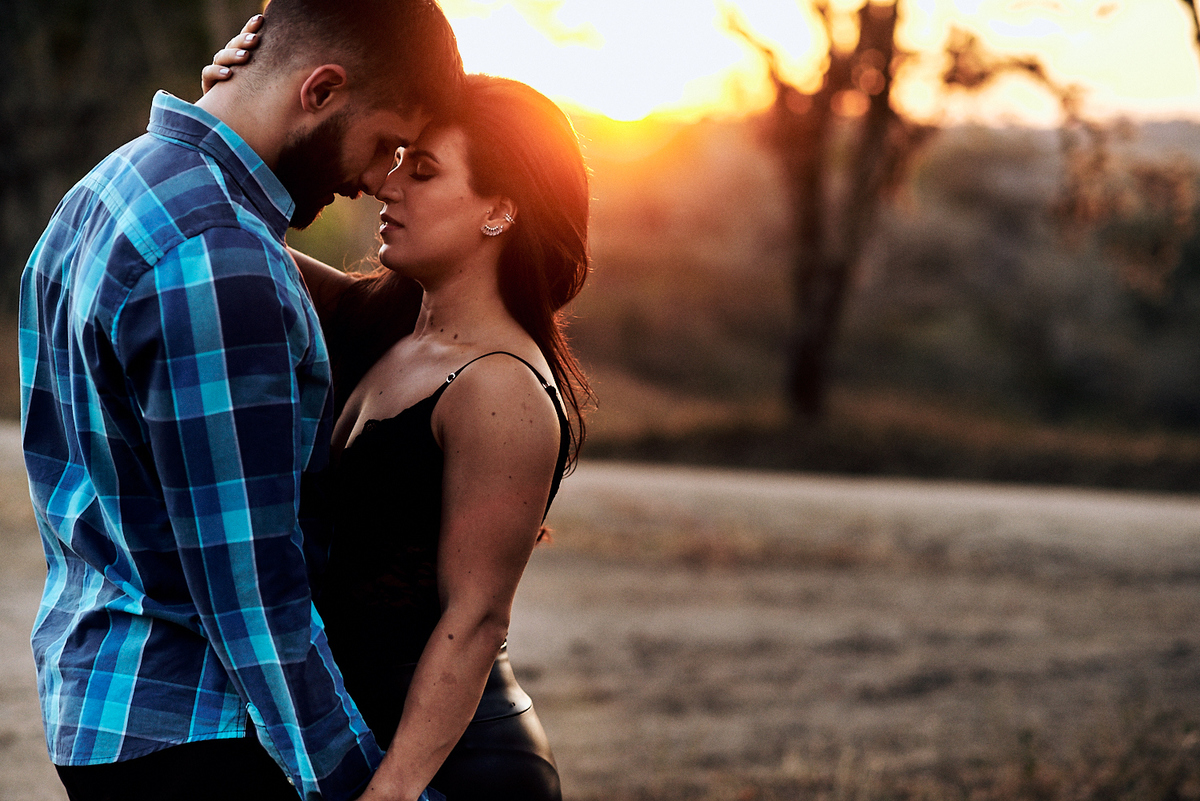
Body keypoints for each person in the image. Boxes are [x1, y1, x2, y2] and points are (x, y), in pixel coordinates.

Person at [18, 2, 463, 800]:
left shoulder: (107, 190)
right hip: (205, 736)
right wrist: (359, 782)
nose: (374, 179)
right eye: (385, 142)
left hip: (105, 708)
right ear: (322, 89)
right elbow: (252, 594)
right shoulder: (217, 254)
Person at [205, 27, 592, 801]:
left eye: (423, 170)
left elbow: (475, 619)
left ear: (500, 210)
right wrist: (228, 107)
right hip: (356, 739)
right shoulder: (375, 320)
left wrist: (393, 790)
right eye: (396, 160)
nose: (387, 184)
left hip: (453, 767)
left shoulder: (502, 386)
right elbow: (217, 230)